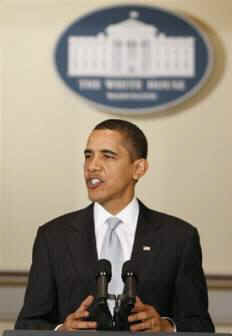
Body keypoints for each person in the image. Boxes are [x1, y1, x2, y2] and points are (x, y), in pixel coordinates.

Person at [15, 119, 214, 332]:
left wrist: (166, 327)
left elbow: (200, 325)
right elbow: (27, 324)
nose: (92, 166)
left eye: (107, 156)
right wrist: (61, 330)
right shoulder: (53, 236)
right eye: (88, 156)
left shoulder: (179, 238)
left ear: (138, 168)